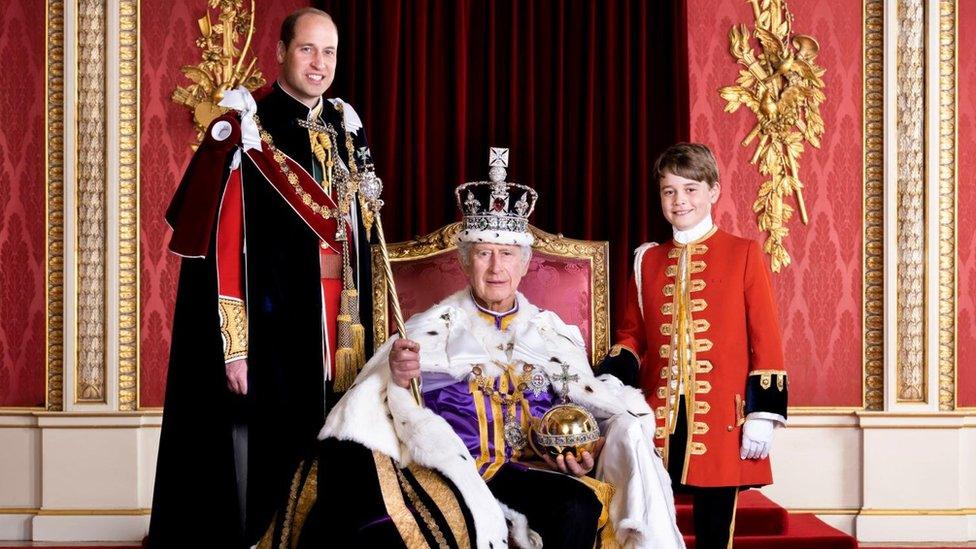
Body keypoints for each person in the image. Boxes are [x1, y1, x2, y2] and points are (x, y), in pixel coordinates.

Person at [266, 151, 685, 549]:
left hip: (533, 469)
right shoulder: (430, 329)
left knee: (578, 504)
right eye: (483, 254)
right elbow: (383, 406)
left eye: (506, 255)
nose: (495, 267)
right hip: (457, 470)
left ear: (525, 264)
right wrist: (397, 376)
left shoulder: (552, 334)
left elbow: (589, 407)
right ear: (464, 263)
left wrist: (583, 450)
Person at [148, 8, 376, 546]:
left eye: (329, 52)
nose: (319, 64)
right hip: (276, 330)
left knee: (338, 461)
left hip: (344, 327)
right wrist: (234, 347)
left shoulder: (345, 126)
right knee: (277, 469)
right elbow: (224, 246)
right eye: (307, 50)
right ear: (279, 52)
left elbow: (361, 240)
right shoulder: (248, 125)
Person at [598, 143, 788, 549]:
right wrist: (615, 374)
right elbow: (634, 333)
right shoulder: (647, 261)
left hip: (723, 418)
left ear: (713, 191)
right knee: (651, 524)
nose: (679, 200)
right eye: (669, 191)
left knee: (715, 531)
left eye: (690, 189)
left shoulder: (744, 252)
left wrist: (764, 412)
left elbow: (765, 337)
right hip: (659, 415)